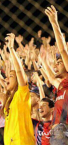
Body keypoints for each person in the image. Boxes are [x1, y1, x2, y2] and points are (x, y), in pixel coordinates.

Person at [0, 33, 35, 144]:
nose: (7, 79)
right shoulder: (7, 98)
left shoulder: (22, 93)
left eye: (11, 76)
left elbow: (19, 71)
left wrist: (11, 48)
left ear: (18, 80)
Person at [40, 5, 68, 144]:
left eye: (59, 63)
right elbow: (50, 77)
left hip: (64, 130)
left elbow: (62, 50)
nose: (56, 65)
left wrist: (54, 23)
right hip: (57, 131)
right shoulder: (62, 85)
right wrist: (43, 62)